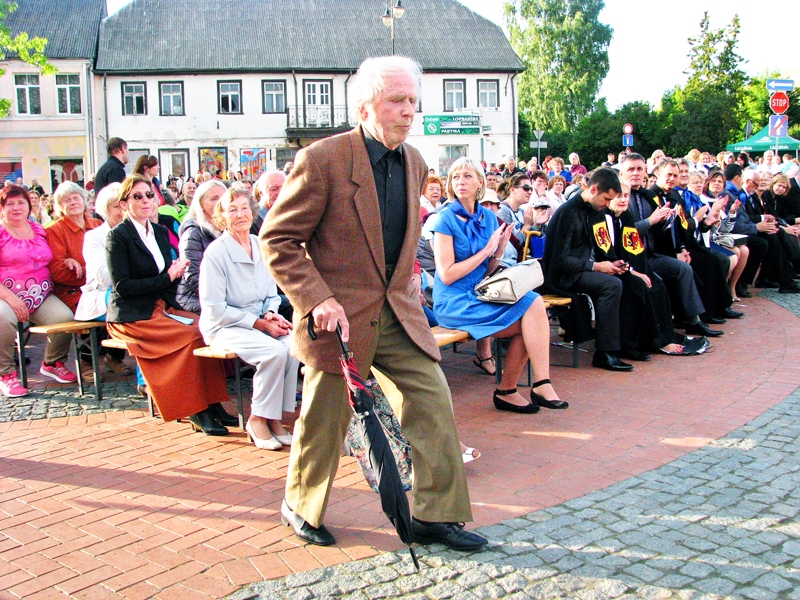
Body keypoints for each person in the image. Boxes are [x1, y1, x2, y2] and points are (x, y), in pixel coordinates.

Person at [262, 55, 485, 551]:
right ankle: (300, 506)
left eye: (413, 101)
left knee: (432, 403)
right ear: (365, 105)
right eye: (397, 101)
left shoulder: (415, 161)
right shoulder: (322, 159)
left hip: (400, 314)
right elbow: (277, 240)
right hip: (337, 319)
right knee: (325, 421)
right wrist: (316, 298)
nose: (409, 112)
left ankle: (435, 514)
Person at [432, 157, 566, 413]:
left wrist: (498, 251)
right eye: (456, 176)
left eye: (467, 176)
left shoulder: (488, 218)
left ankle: (531, 384)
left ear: (480, 182)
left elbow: (489, 270)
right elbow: (447, 275)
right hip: (454, 301)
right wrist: (487, 251)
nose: (461, 181)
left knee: (533, 304)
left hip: (480, 294)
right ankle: (516, 389)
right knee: (530, 323)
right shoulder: (444, 219)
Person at [105, 174, 234, 434]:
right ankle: (196, 409)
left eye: (149, 195)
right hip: (131, 315)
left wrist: (178, 293)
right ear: (124, 204)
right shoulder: (117, 236)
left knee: (204, 328)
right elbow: (123, 287)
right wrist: (167, 276)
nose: (145, 201)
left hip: (160, 306)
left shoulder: (161, 232)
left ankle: (212, 402)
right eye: (137, 196)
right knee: (189, 336)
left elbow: (167, 281)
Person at [199, 187, 298, 451]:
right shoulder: (216, 253)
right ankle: (256, 419)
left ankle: (274, 419)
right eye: (232, 210)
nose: (240, 214)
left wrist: (271, 315)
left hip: (258, 321)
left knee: (292, 347)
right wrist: (259, 324)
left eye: (244, 208)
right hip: (225, 325)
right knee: (272, 353)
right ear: (221, 217)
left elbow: (271, 292)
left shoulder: (259, 244)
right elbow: (213, 309)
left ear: (252, 211)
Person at [618, 154, 722, 338]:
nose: (636, 173)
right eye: (630, 169)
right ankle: (660, 331)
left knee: (683, 268)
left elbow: (668, 230)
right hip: (628, 259)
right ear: (621, 173)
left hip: (652, 254)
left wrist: (678, 246)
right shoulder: (618, 197)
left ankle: (694, 321)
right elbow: (622, 232)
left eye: (639, 169)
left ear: (646, 172)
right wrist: (651, 221)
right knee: (658, 282)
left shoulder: (649, 196)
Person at [542, 168, 633, 371]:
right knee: (612, 285)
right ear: (593, 189)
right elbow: (559, 260)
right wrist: (596, 266)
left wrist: (610, 263)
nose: (607, 204)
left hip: (580, 270)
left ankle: (627, 344)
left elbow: (596, 247)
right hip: (562, 277)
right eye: (606, 198)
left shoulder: (592, 211)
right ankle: (605, 352)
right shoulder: (568, 213)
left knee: (628, 280)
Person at [0, 185, 77, 397]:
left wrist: (68, 259)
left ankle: (52, 362)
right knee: (1, 318)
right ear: (2, 208)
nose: (16, 208)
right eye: (10, 204)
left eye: (21, 202)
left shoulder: (40, 231)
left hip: (40, 295)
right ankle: (5, 375)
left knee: (65, 318)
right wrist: (13, 301)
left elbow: (54, 256)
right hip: (6, 297)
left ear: (29, 206)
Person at [176, 180, 227, 313]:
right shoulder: (193, 233)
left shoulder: (229, 230)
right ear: (201, 205)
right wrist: (230, 292)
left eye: (223, 198)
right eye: (214, 198)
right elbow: (192, 276)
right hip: (196, 298)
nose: (220, 202)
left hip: (227, 295)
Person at [250, 170, 285, 235]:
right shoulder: (251, 222)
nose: (280, 193)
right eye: (274, 189)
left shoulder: (291, 216)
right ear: (261, 193)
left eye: (284, 188)